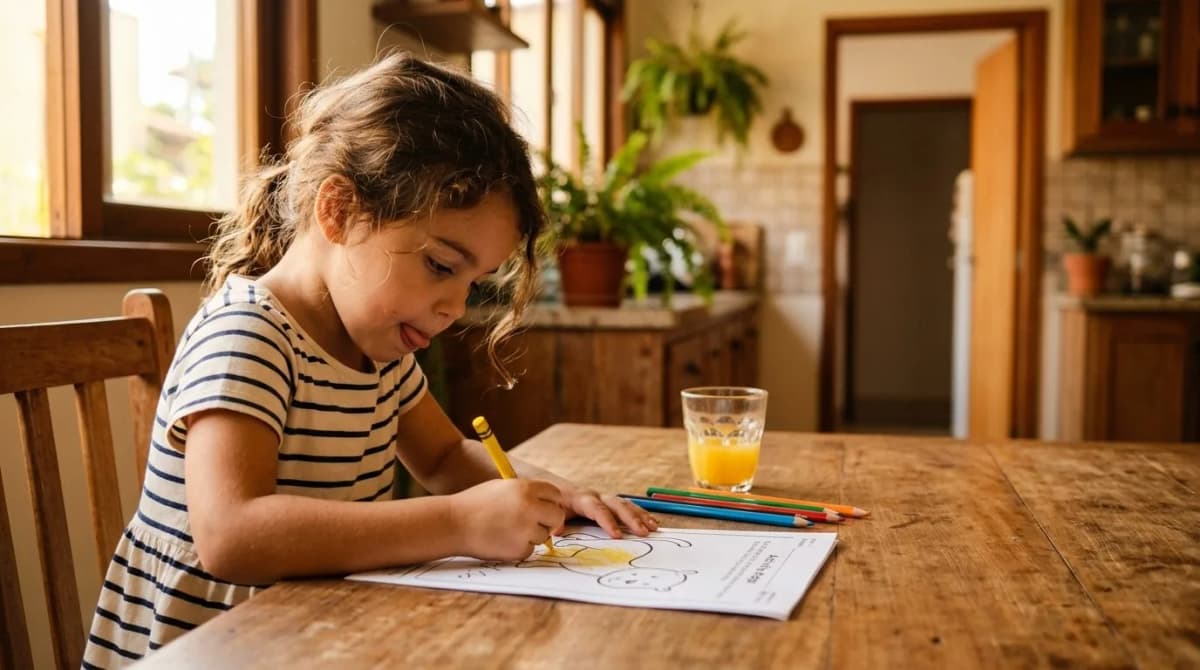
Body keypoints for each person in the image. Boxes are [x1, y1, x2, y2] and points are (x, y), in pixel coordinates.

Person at [83, 52, 657, 668]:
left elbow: (441, 455)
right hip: (206, 650)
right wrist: (458, 524)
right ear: (339, 211)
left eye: (473, 283)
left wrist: (554, 493)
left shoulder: (375, 349)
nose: (453, 309)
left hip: (315, 636)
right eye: (440, 266)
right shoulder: (248, 335)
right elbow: (232, 536)